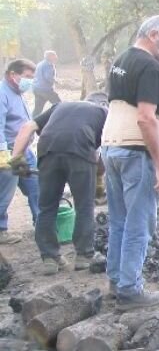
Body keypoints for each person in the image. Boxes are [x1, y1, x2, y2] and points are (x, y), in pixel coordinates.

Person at [101, 15, 159, 310]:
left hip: (113, 148)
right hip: (136, 151)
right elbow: (146, 118)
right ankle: (130, 290)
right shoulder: (148, 66)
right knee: (139, 224)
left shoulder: (121, 59)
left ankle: (117, 280)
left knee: (120, 220)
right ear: (154, 34)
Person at [11, 92, 108, 274]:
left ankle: (49, 257)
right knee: (84, 206)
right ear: (103, 102)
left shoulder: (60, 106)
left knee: (46, 207)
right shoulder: (104, 112)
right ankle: (84, 256)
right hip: (80, 151)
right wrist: (98, 179)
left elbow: (27, 127)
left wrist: (17, 157)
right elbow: (103, 150)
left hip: (47, 151)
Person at [0, 59, 40, 244]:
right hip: (8, 151)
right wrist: (3, 153)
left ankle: (41, 225)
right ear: (13, 75)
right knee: (4, 192)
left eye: (32, 78)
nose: (30, 81)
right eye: (27, 77)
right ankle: (1, 230)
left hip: (24, 150)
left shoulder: (18, 93)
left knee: (35, 185)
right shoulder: (2, 93)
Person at [32, 50, 61, 117]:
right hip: (46, 90)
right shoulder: (48, 65)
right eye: (54, 55)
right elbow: (48, 77)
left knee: (38, 109)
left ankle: (32, 121)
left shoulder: (40, 63)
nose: (56, 57)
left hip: (37, 88)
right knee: (59, 105)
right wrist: (55, 81)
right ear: (50, 57)